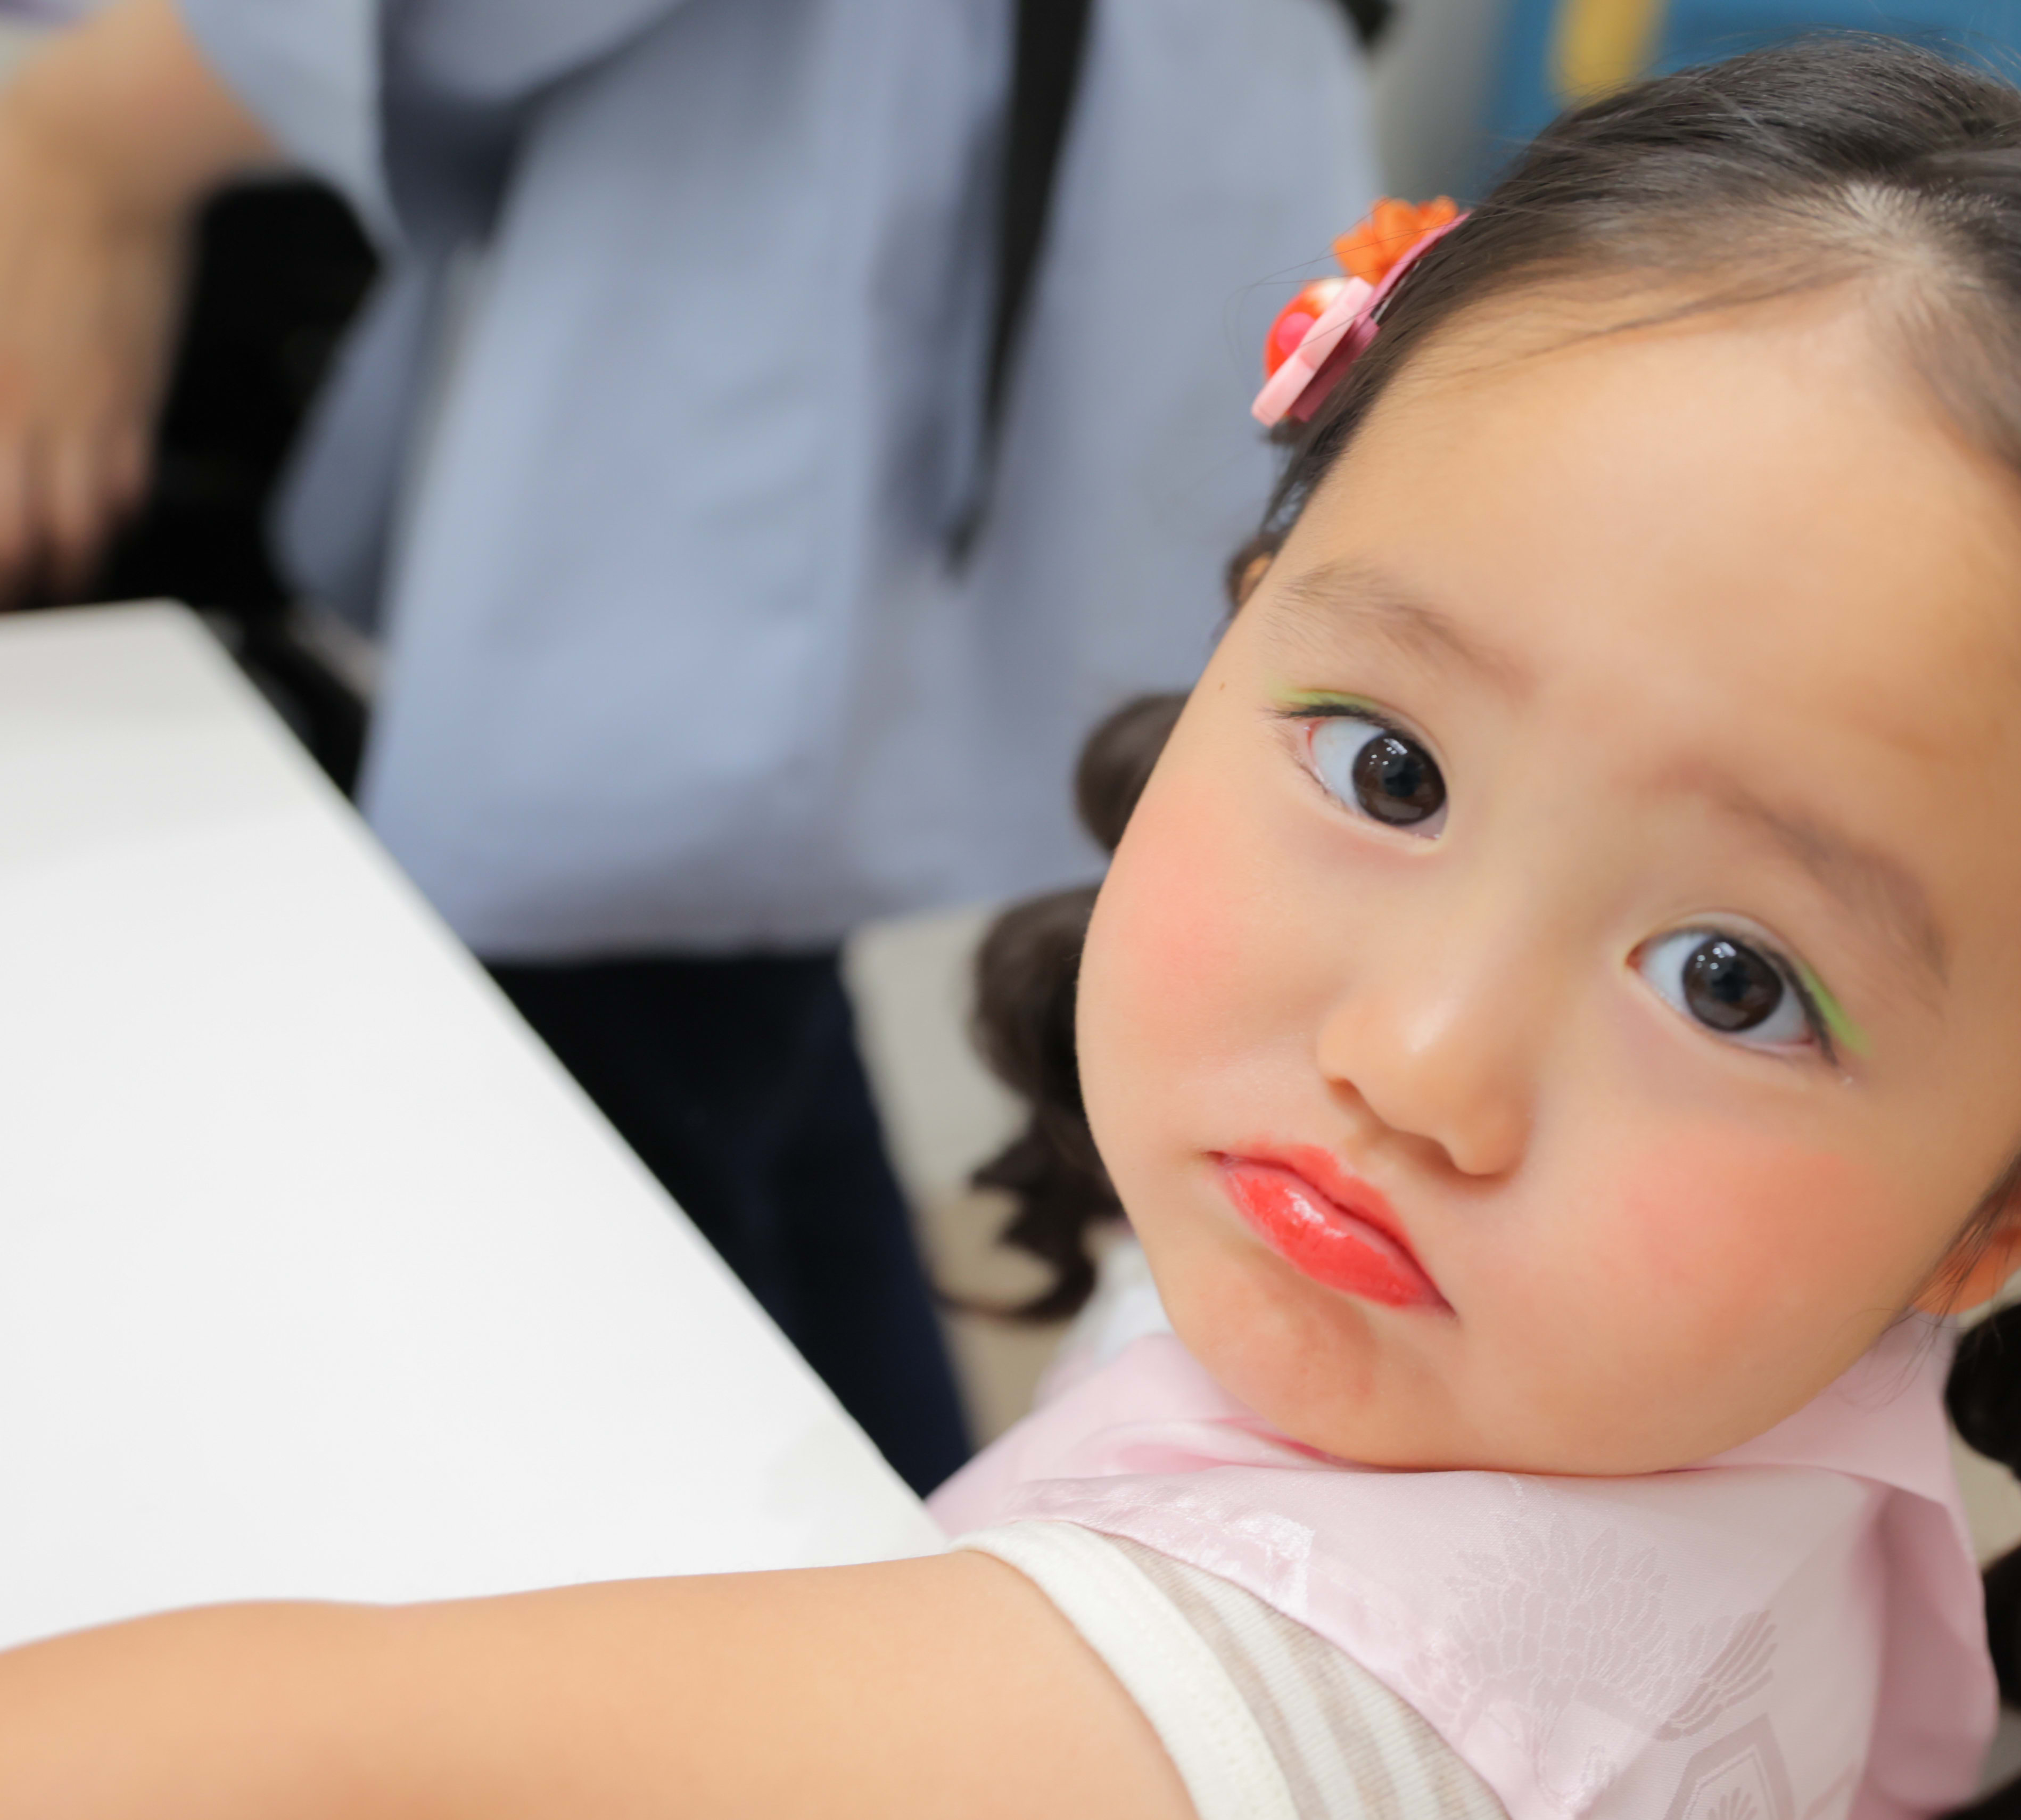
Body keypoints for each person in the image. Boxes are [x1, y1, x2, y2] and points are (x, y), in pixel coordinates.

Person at [0, 39, 2021, 1820]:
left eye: (1731, 978)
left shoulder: (1337, 1702)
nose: (1421, 1053)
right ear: (1249, 610)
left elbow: (286, 1747)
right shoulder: (1661, 1405)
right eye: (1389, 767)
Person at [0, 0, 1378, 1493]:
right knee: (718, 1035)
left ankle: (878, 1657)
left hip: (787, 239)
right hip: (885, 226)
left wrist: (99, 129)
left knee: (611, 1097)